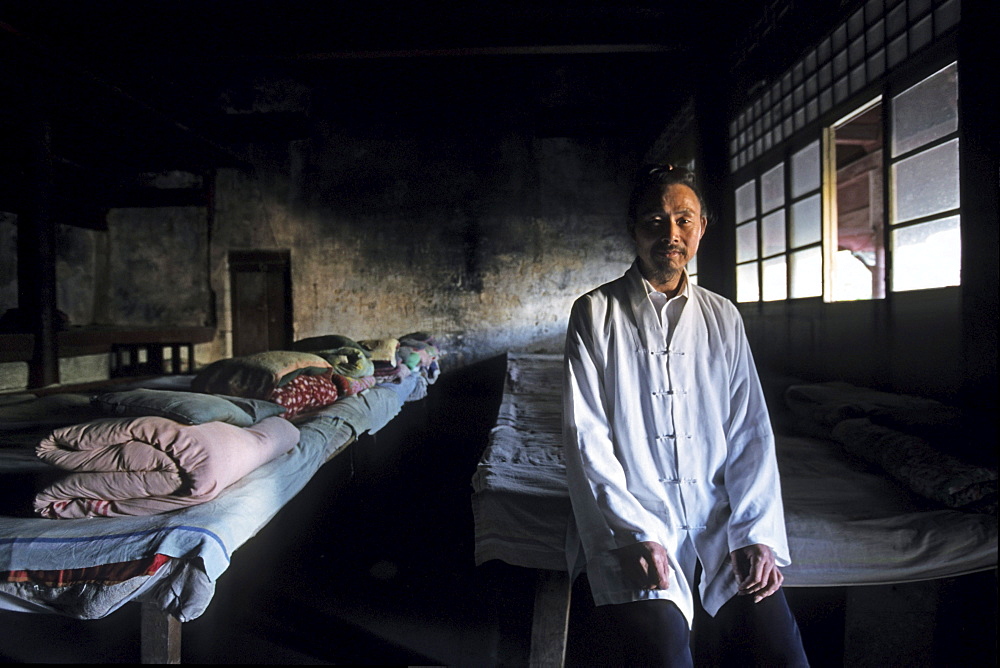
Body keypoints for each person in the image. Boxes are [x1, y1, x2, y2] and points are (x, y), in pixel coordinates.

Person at [562, 164, 809, 666]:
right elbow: (585, 437)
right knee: (665, 653)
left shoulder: (723, 316)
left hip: (721, 522)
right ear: (634, 229)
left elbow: (749, 432)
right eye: (655, 221)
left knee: (784, 652)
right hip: (635, 520)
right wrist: (635, 534)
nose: (670, 234)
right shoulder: (595, 312)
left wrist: (754, 532)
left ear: (701, 228)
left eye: (683, 220)